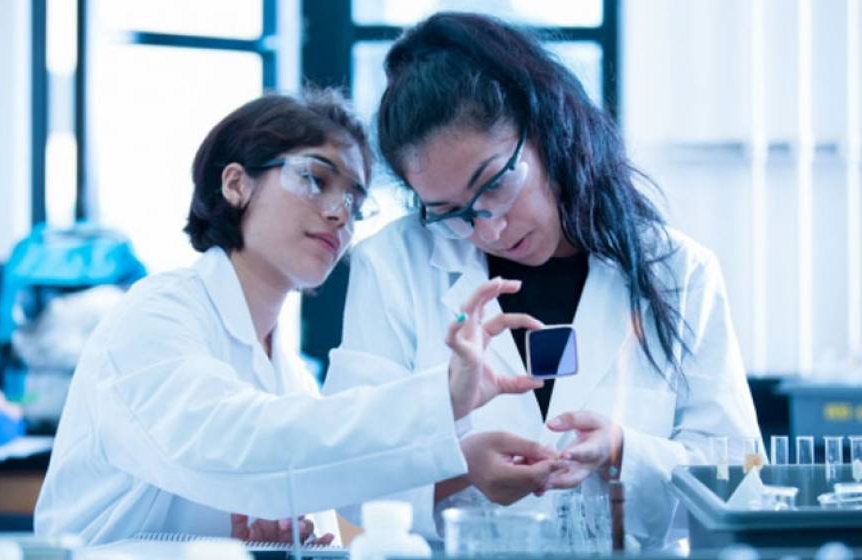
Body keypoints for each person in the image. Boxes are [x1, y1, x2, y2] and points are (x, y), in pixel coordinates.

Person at [34, 90, 568, 545]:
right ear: (237, 184)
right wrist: (443, 399)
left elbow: (295, 464)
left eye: (355, 203)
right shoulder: (156, 315)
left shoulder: (289, 373)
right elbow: (231, 444)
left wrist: (276, 539)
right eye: (315, 179)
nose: (340, 213)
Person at [322, 13, 762, 549]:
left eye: (496, 183)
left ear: (547, 130)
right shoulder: (392, 264)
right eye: (449, 211)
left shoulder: (678, 270)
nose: (489, 227)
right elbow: (342, 473)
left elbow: (740, 479)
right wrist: (457, 471)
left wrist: (626, 451)